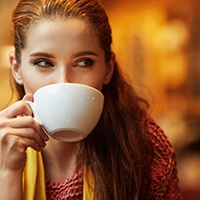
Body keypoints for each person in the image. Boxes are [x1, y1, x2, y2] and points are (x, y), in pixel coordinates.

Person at [0, 0, 182, 199]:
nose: (64, 81)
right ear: (17, 69)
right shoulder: (2, 145)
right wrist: (7, 172)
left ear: (108, 69)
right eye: (43, 63)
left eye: (83, 63)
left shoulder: (146, 148)